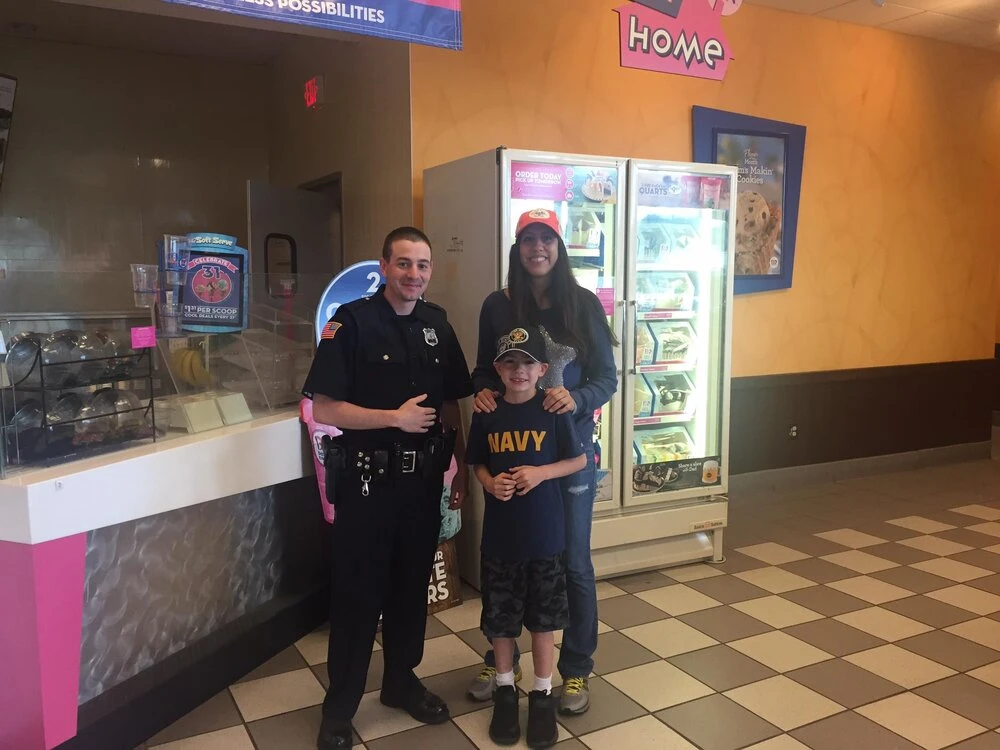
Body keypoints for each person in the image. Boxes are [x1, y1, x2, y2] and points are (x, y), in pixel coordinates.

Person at [303, 227, 473, 750]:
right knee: (357, 595)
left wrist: (460, 469)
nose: (414, 275)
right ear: (384, 266)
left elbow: (451, 404)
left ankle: (401, 681)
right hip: (367, 484)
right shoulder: (351, 323)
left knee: (408, 590)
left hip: (422, 485)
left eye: (422, 265)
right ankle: (341, 706)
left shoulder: (437, 326)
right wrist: (392, 419)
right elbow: (325, 407)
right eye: (404, 264)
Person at [467, 208, 618, 715]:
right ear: (517, 248)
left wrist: (575, 400)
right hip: (510, 456)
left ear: (559, 246)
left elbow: (606, 378)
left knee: (571, 562)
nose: (538, 247)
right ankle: (502, 658)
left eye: (546, 238)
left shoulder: (582, 304)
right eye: (528, 238)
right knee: (509, 561)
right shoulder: (497, 305)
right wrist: (484, 392)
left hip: (568, 456)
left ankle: (574, 669)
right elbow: (483, 369)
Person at [466, 325, 586, 748]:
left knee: (542, 622)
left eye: (527, 363)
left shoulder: (553, 411)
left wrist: (541, 473)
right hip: (500, 540)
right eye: (510, 362)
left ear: (542, 370)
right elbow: (477, 462)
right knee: (501, 621)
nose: (519, 371)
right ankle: (503, 689)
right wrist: (487, 482)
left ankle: (540, 694)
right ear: (498, 368)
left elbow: (577, 459)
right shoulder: (486, 412)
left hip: (545, 538)